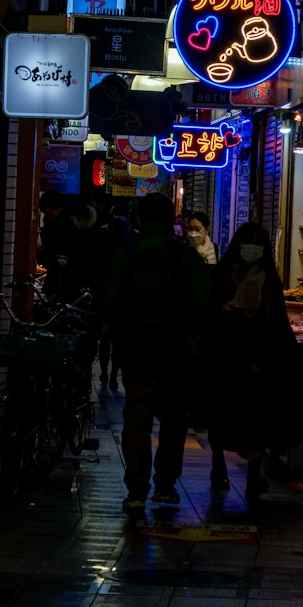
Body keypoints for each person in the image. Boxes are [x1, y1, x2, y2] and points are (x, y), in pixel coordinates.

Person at [104, 192, 213, 515]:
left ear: (138, 219)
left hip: (138, 350)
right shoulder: (187, 258)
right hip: (177, 350)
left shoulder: (126, 255)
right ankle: (165, 485)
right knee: (175, 420)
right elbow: (203, 305)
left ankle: (136, 489)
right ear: (172, 220)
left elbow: (110, 304)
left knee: (137, 419)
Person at [204, 221, 303, 500]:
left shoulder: (268, 279)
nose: (252, 248)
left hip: (258, 359)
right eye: (248, 241)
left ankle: (254, 476)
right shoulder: (221, 275)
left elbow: (275, 321)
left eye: (258, 243)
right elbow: (207, 312)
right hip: (224, 358)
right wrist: (223, 313)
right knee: (220, 416)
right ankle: (218, 466)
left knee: (254, 421)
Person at [92, 205, 135, 390]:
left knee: (105, 338)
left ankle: (103, 371)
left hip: (104, 295)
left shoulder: (102, 242)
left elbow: (96, 269)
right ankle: (113, 376)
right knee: (118, 343)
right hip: (124, 299)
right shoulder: (131, 244)